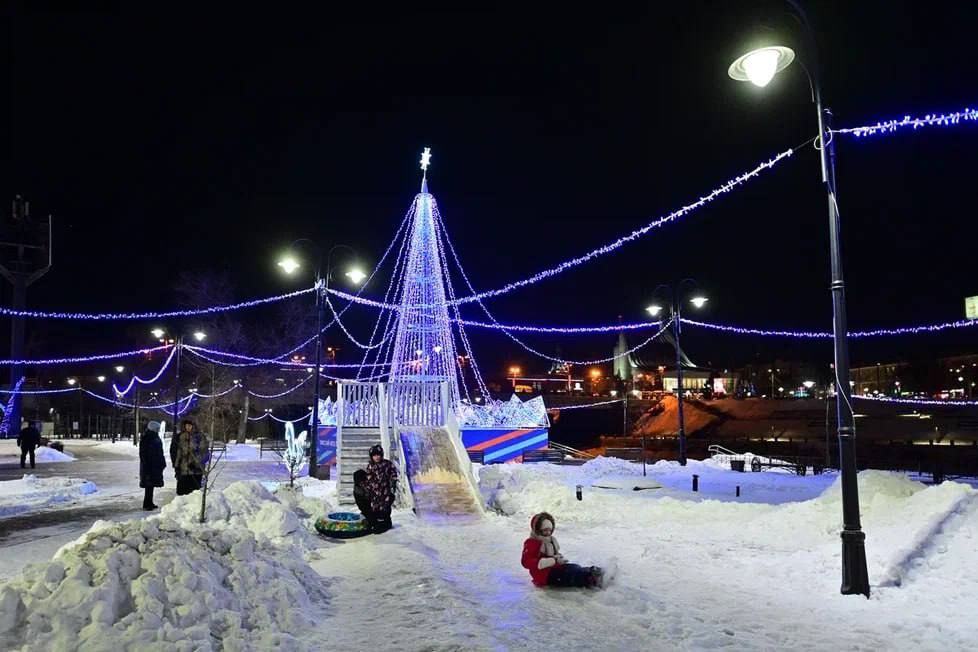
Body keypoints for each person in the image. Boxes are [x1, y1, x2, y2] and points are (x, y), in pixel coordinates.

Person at [521, 512, 603, 588]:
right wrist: (551, 561)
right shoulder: (532, 542)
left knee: (574, 567)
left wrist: (558, 559)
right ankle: (591, 579)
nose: (548, 533)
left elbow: (553, 555)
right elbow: (526, 561)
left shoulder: (550, 540)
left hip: (555, 568)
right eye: (545, 530)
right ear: (538, 529)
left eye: (550, 530)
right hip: (544, 576)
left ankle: (596, 572)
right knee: (570, 575)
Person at [169, 419, 210, 496]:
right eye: (186, 425)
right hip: (183, 470)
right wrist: (176, 465)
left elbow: (205, 452)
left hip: (196, 470)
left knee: (194, 494)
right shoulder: (179, 437)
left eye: (190, 425)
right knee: (182, 493)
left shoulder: (200, 437)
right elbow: (174, 452)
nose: (188, 427)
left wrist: (196, 462)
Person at [364, 444, 397, 534]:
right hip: (374, 492)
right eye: (374, 455)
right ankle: (377, 523)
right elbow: (368, 478)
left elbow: (393, 473)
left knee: (385, 507)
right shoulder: (370, 466)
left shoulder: (387, 464)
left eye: (378, 455)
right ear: (371, 457)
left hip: (385, 490)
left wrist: (393, 481)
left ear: (381, 455)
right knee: (375, 508)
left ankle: (387, 523)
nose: (376, 457)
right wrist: (369, 488)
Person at [139, 421, 166, 510]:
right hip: (150, 466)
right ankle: (147, 504)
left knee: (151, 485)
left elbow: (159, 452)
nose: (158, 430)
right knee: (149, 485)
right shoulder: (147, 438)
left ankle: (149, 502)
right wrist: (146, 463)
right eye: (157, 428)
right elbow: (143, 453)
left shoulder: (153, 437)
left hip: (154, 465)